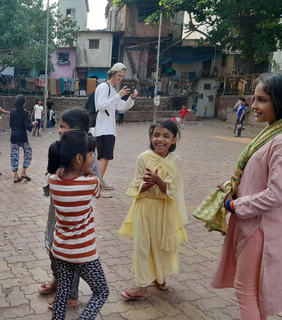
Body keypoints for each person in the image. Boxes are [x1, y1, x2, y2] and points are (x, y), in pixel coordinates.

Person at [204, 72, 282, 320]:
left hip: (260, 227)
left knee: (245, 291)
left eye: (262, 100)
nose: (254, 106)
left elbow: (275, 194)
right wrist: (232, 186)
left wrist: (236, 204)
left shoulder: (279, 140)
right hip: (253, 223)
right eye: (254, 99)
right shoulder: (271, 133)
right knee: (251, 292)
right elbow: (259, 177)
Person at [38, 108, 104, 309]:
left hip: (73, 221)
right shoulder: (61, 150)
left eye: (62, 127)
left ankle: (71, 296)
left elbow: (97, 183)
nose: (59, 131)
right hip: (57, 214)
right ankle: (59, 282)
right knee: (53, 248)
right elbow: (50, 180)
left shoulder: (86, 157)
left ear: (75, 130)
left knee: (71, 255)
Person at [119, 118, 188, 301]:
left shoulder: (176, 161)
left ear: (174, 140)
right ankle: (141, 287)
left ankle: (160, 277)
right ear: (150, 137)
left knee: (162, 245)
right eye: (156, 135)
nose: (160, 139)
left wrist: (158, 181)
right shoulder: (143, 158)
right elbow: (135, 186)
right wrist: (148, 185)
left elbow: (174, 190)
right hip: (145, 207)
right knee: (142, 246)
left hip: (165, 210)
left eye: (166, 136)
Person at [48, 130, 109, 320]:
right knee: (101, 292)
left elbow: (62, 176)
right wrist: (88, 170)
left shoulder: (52, 181)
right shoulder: (90, 182)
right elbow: (97, 187)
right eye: (91, 155)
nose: (93, 160)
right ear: (79, 158)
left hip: (60, 250)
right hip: (84, 253)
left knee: (62, 293)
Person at [94, 62, 138, 192]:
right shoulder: (104, 87)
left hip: (109, 129)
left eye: (123, 76)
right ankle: (98, 185)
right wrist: (118, 95)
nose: (120, 78)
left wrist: (131, 98)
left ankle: (100, 181)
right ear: (112, 73)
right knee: (104, 157)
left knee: (104, 157)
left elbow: (121, 107)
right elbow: (100, 105)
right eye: (119, 75)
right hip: (103, 128)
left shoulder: (112, 90)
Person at [10, 94, 38, 183]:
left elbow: (11, 124)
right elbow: (28, 127)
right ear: (24, 104)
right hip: (22, 136)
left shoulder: (12, 112)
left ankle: (15, 176)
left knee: (14, 155)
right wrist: (33, 124)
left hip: (14, 136)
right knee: (28, 153)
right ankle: (24, 172)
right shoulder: (25, 113)